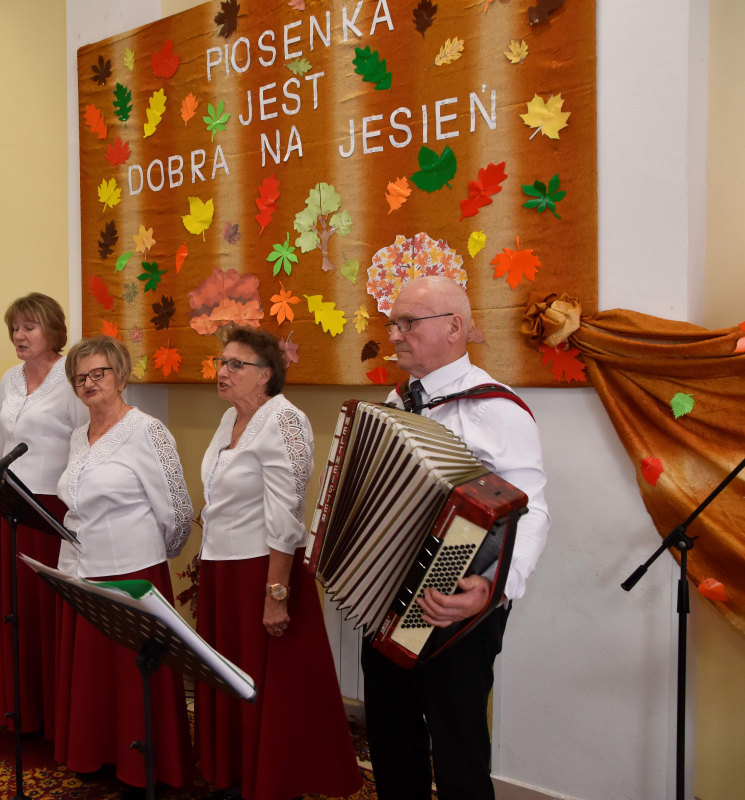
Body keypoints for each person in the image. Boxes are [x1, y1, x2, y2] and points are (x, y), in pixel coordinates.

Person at [364, 276, 549, 800]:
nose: (394, 335)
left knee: (458, 751)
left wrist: (494, 587)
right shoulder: (396, 400)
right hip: (384, 598)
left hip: (458, 607)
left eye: (407, 323)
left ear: (454, 327)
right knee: (392, 742)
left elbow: (532, 512)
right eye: (392, 323)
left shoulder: (497, 408)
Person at [194, 327, 363, 800]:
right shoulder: (229, 419)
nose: (223, 371)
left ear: (266, 374)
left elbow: (288, 513)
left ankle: (275, 779)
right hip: (223, 569)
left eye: (236, 364)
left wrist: (276, 593)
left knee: (275, 686)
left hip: (264, 570)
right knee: (230, 674)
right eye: (221, 362)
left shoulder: (285, 420)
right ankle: (236, 772)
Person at [53, 335, 195, 794]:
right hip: (83, 570)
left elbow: (177, 509)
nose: (89, 382)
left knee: (134, 681)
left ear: (121, 376)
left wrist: (153, 558)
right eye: (80, 377)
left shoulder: (147, 430)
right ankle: (96, 753)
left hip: (133, 574)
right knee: (96, 679)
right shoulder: (78, 436)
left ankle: (142, 766)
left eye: (99, 373)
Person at [0, 293, 88, 739]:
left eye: (29, 327)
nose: (19, 335)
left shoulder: (72, 377)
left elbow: (89, 442)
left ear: (53, 330)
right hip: (11, 505)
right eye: (15, 328)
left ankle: (54, 714)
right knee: (16, 609)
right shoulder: (10, 378)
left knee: (45, 609)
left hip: (53, 511)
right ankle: (19, 710)